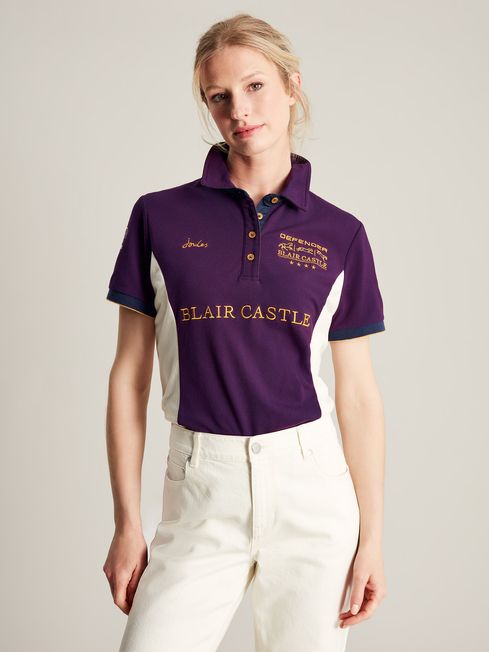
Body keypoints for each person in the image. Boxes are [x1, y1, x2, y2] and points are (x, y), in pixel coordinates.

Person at [102, 12, 387, 652]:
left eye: (255, 86)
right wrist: (127, 523)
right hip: (201, 482)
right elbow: (129, 377)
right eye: (219, 96)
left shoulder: (341, 234)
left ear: (291, 86)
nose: (239, 110)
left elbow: (359, 395)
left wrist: (371, 539)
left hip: (311, 488)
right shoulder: (159, 217)